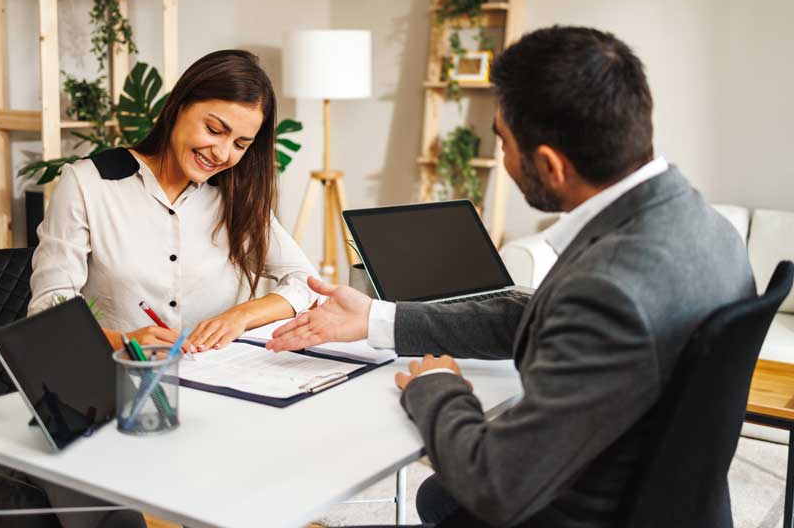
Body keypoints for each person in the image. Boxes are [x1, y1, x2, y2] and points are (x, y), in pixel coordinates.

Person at [266, 27, 756, 528]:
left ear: (549, 164)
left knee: (447, 494)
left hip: (590, 514)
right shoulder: (705, 227)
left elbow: (494, 485)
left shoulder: (610, 287)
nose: (502, 157)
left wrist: (436, 387)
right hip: (669, 501)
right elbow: (544, 311)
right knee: (439, 497)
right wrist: (376, 317)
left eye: (502, 140)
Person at [16, 49, 320, 528]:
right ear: (179, 106)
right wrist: (124, 342)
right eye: (215, 129)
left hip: (214, 398)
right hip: (114, 400)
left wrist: (241, 316)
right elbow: (48, 313)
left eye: (241, 143)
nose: (223, 154)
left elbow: (307, 282)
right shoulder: (90, 185)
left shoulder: (237, 196)